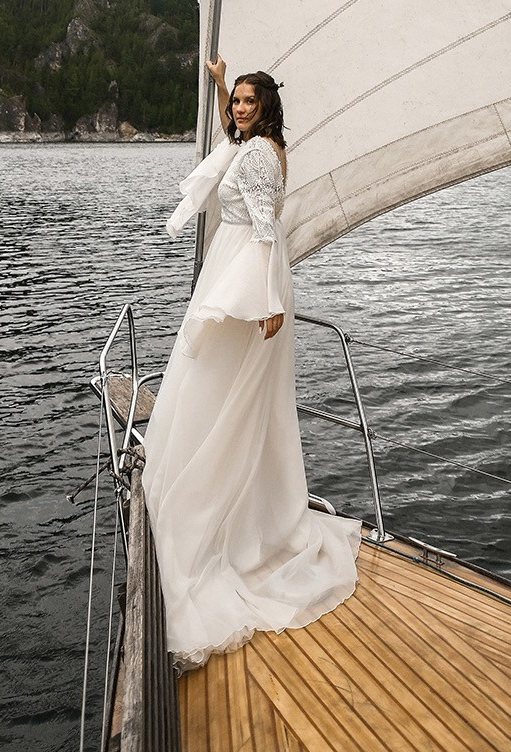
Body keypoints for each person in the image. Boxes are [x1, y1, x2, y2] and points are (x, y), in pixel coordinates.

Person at [141, 57, 361, 668]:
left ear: (266, 108)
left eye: (246, 102)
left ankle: (229, 516)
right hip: (234, 263)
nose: (238, 110)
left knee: (224, 384)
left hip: (249, 273)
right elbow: (232, 150)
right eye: (234, 101)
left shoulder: (262, 155)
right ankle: (222, 486)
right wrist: (217, 84)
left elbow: (267, 226)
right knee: (219, 382)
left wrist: (266, 300)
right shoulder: (253, 144)